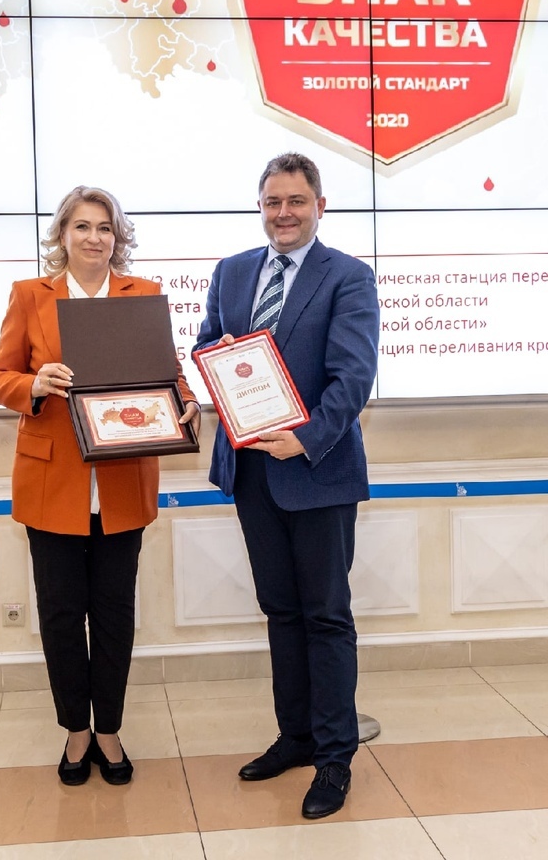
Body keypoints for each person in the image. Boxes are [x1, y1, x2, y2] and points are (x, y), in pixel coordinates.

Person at [0, 186, 200, 787]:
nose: (94, 237)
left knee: (113, 615)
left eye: (105, 227)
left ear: (117, 237)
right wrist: (33, 384)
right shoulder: (30, 295)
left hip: (123, 483)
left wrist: (186, 405)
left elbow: (170, 374)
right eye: (82, 226)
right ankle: (75, 731)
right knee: (60, 617)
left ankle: (109, 729)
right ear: (63, 234)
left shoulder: (144, 294)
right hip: (51, 483)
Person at [193, 153, 379, 819]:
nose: (284, 213)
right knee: (280, 611)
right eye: (273, 201)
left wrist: (305, 436)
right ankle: (295, 736)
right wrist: (217, 367)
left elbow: (353, 377)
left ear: (319, 206)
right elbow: (207, 347)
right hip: (251, 471)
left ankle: (334, 758)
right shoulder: (232, 271)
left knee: (326, 615)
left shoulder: (348, 276)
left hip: (318, 470)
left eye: (296, 201)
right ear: (261, 206)